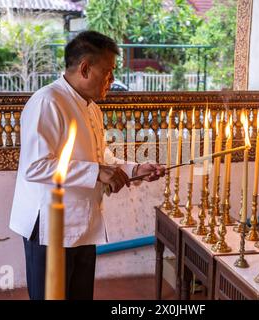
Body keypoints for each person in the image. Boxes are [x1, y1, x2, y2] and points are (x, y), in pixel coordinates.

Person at [9, 30, 165, 300]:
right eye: (107, 72)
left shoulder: (91, 107)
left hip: (82, 224)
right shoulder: (48, 101)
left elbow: (100, 157)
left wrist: (134, 170)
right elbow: (35, 167)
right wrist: (96, 173)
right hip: (50, 228)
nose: (112, 80)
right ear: (84, 68)